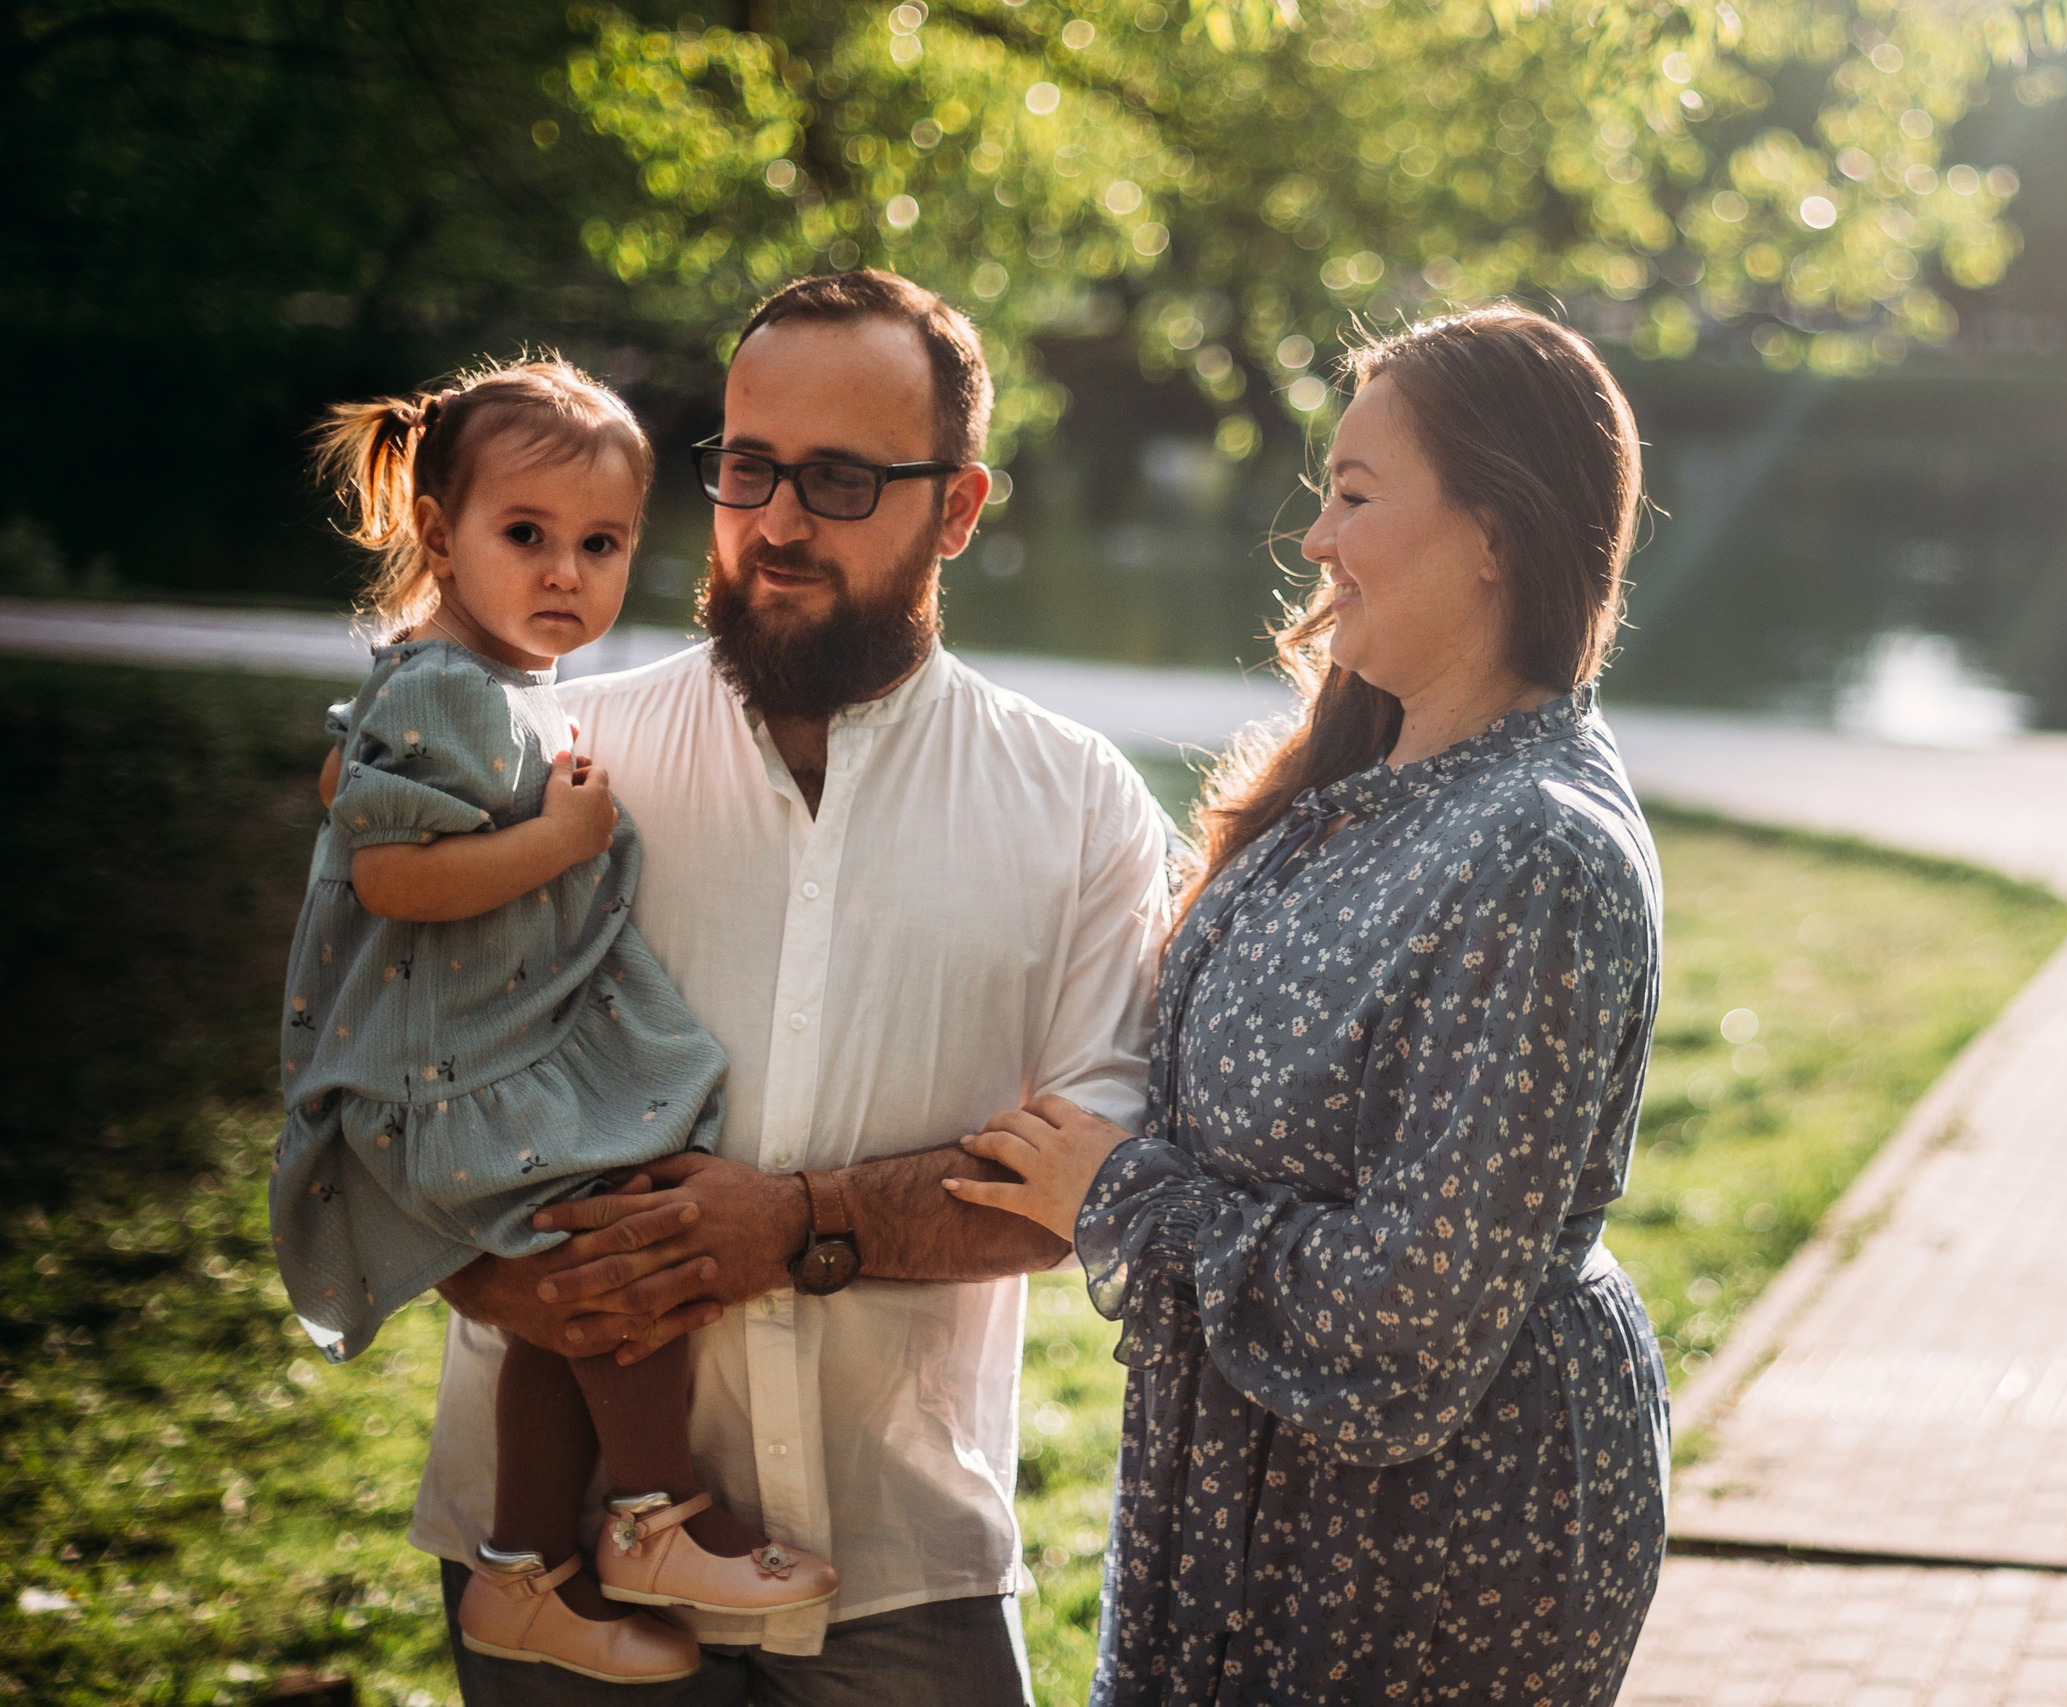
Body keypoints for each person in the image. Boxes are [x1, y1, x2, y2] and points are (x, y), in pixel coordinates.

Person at [397, 273, 1171, 1705]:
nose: (777, 521)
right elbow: (386, 1096)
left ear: (958, 508)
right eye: (748, 467)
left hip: (902, 1561)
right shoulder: (553, 756)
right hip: (557, 1573)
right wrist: (498, 1274)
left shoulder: (1079, 806)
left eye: (842, 480)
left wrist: (798, 1225)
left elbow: (1086, 1182)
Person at [948, 305, 1672, 1704]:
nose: (1316, 541)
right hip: (1247, 1492)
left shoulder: (1538, 851)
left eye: (1354, 495)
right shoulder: (1364, 783)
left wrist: (1119, 1196)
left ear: (1494, 533)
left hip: (1424, 1545)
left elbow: (1410, 1326)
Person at [278, 358, 837, 1690]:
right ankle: (654, 1515)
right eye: (525, 535)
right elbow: (392, 879)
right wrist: (559, 839)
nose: (564, 574)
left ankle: (525, 1574)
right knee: (622, 1240)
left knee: (564, 1297)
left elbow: (361, 785)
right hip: (446, 1069)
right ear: (439, 532)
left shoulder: (467, 677)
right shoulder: (449, 686)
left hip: (476, 1048)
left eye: (601, 545)